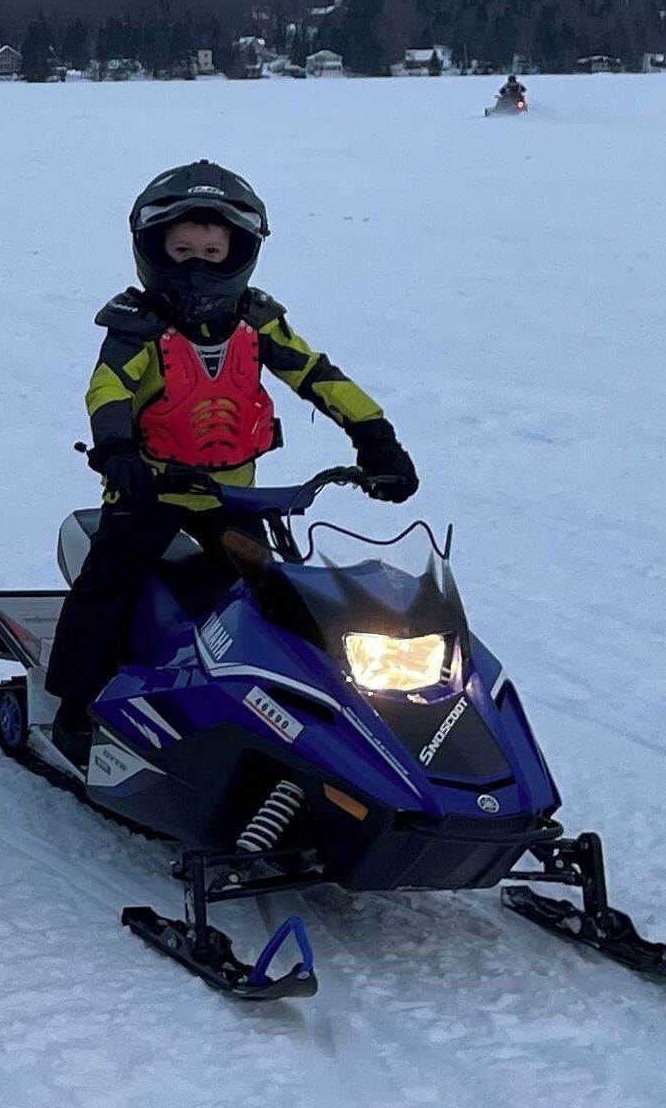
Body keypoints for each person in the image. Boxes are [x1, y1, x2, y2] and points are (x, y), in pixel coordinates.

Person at [39, 160, 420, 771]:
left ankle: (319, 715)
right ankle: (74, 706)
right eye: (182, 248)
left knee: (280, 595)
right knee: (107, 588)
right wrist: (116, 453)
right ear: (152, 250)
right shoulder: (137, 327)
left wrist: (375, 435)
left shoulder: (257, 321)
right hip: (148, 490)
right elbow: (106, 390)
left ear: (238, 251)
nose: (197, 264)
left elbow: (315, 373)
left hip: (231, 495)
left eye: (212, 251)